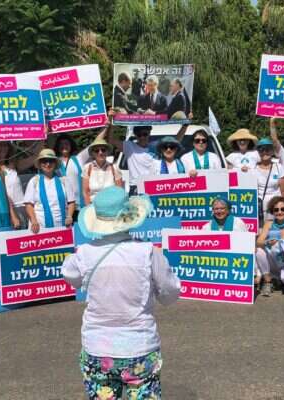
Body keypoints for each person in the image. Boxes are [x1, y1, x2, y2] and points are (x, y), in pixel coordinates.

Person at [62, 186, 180, 399]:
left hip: (97, 346)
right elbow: (170, 292)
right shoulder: (147, 252)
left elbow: (71, 276)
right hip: (139, 345)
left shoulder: (84, 253)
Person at [106, 121, 188, 195]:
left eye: (144, 134)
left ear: (149, 133)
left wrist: (185, 126)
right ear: (136, 136)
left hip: (156, 186)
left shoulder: (156, 147)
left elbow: (175, 141)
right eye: (139, 135)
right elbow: (111, 141)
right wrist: (112, 123)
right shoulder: (129, 146)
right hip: (137, 187)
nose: (142, 137)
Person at [24, 149, 76, 234]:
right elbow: (28, 204)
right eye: (44, 161)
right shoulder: (34, 181)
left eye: (51, 161)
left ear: (55, 163)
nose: (48, 164)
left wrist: (69, 216)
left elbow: (71, 202)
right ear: (40, 164)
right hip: (39, 228)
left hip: (62, 226)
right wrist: (33, 220)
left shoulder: (64, 180)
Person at [255, 197, 284, 296]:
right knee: (259, 251)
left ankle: (281, 281)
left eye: (283, 209)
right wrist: (267, 243)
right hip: (272, 261)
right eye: (276, 210)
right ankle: (268, 282)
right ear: (272, 212)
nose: (279, 212)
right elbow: (259, 242)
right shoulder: (269, 224)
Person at [254, 138, 284, 222]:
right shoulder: (253, 168)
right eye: (261, 150)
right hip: (258, 208)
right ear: (258, 152)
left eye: (267, 149)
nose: (264, 152)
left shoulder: (279, 167)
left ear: (272, 151)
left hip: (276, 208)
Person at [82, 138, 123, 204]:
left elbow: (120, 192)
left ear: (107, 152)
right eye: (97, 151)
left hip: (111, 206)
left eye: (103, 150)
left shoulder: (114, 168)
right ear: (93, 153)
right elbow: (86, 192)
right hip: (93, 206)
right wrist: (88, 207)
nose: (100, 152)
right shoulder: (87, 168)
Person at [0, 141, 26, 226]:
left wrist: (42, 138)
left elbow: (35, 158)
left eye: (5, 145)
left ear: (9, 147)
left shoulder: (14, 164)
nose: (3, 148)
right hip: (3, 209)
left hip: (20, 206)